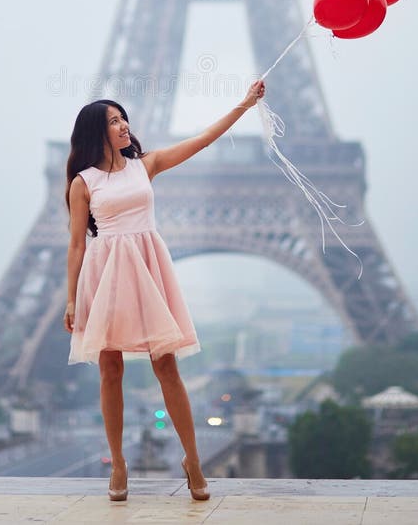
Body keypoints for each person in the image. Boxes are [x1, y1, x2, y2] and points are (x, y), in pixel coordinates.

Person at [63, 78, 266, 501]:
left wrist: (244, 105)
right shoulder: (83, 183)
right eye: (114, 122)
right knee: (110, 370)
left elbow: (203, 140)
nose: (124, 127)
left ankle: (193, 460)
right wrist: (70, 300)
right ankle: (118, 464)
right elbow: (77, 243)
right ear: (95, 133)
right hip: (105, 274)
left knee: (167, 366)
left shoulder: (146, 165)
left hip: (148, 267)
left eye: (123, 119)